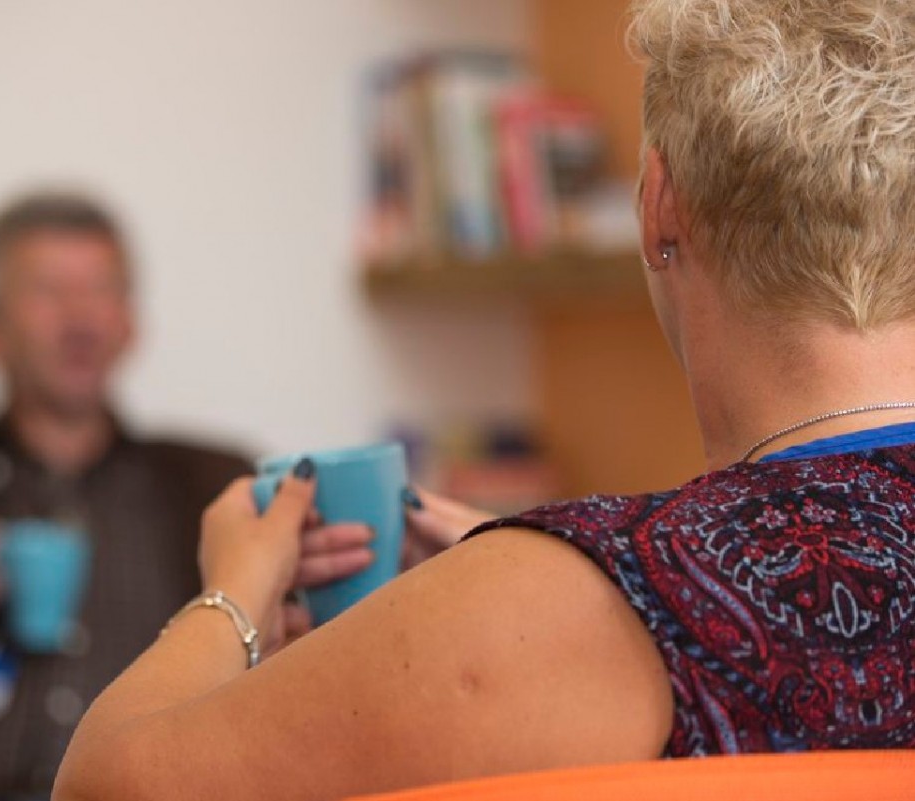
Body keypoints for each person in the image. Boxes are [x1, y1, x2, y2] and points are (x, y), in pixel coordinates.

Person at [55, 1, 915, 798]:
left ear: (659, 207)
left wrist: (235, 591)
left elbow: (105, 787)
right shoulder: (594, 588)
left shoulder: (608, 592)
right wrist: (535, 564)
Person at [0, 191, 374, 800]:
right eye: (47, 290)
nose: (81, 318)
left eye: (102, 289)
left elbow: (315, 668)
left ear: (130, 324)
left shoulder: (215, 487)